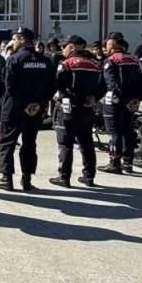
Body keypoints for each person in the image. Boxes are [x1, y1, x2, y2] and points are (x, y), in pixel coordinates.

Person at [0, 29, 56, 192]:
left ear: (21, 39)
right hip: (35, 110)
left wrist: (25, 104)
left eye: (14, 39)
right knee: (29, 144)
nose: (12, 42)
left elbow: (9, 86)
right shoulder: (45, 61)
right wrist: (38, 104)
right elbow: (52, 86)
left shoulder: (14, 59)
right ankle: (27, 179)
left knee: (7, 142)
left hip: (15, 108)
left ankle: (6, 178)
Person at [51, 35, 104, 187]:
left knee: (65, 143)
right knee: (86, 142)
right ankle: (89, 176)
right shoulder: (95, 64)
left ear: (72, 47)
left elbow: (58, 84)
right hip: (87, 109)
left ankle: (64, 177)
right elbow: (104, 86)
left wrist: (64, 98)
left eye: (64, 46)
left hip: (69, 109)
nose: (63, 49)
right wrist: (94, 98)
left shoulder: (66, 64)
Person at [99, 32, 142, 174]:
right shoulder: (134, 59)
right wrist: (136, 99)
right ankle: (128, 163)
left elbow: (112, 83)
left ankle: (114, 163)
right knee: (128, 131)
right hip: (131, 102)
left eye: (108, 44)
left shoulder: (110, 60)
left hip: (115, 101)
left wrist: (124, 99)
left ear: (114, 45)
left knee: (114, 132)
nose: (106, 47)